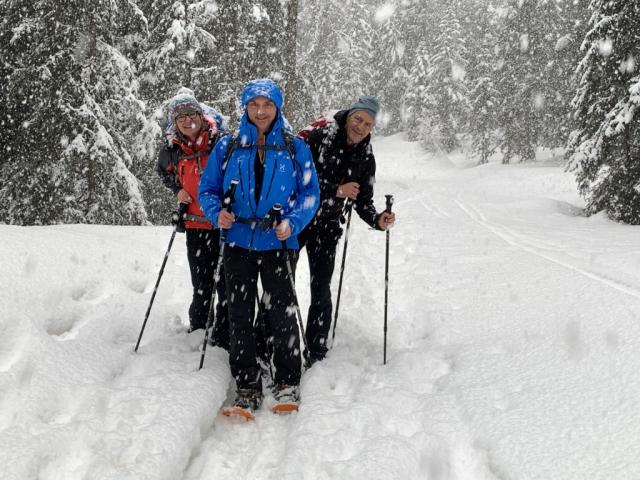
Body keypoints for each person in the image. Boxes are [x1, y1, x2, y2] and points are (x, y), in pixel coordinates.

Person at [198, 79, 320, 415]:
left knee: (282, 312)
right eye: (254, 104)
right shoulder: (228, 146)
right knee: (239, 314)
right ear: (245, 108)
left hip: (278, 241)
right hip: (237, 240)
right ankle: (247, 384)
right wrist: (216, 213)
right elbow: (208, 189)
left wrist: (292, 222)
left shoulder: (295, 147)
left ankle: (287, 381)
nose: (261, 111)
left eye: (267, 105)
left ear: (277, 108)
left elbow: (310, 194)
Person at [298, 95, 396, 365]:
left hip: (328, 226)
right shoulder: (319, 138)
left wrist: (377, 220)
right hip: (297, 220)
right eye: (358, 119)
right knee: (281, 287)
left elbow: (363, 200)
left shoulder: (366, 156)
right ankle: (268, 346)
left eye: (367, 123)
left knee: (321, 289)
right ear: (349, 115)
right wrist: (336, 190)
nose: (360, 126)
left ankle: (316, 351)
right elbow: (298, 180)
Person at [156, 92, 229, 349]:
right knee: (201, 284)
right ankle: (199, 329)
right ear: (174, 123)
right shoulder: (172, 149)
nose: (187, 121)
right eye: (181, 118)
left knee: (226, 285)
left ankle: (224, 335)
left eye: (191, 115)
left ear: (200, 115)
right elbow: (163, 172)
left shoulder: (220, 142)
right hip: (195, 224)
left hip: (223, 225)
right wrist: (178, 189)